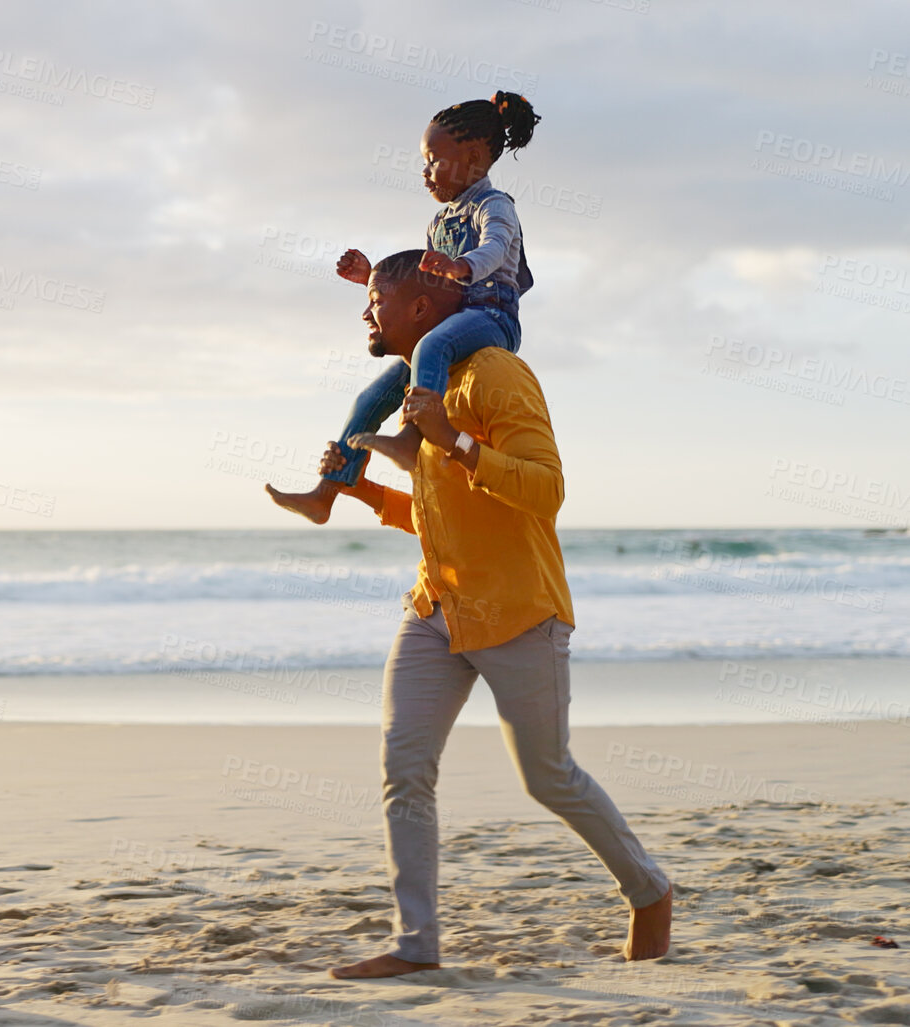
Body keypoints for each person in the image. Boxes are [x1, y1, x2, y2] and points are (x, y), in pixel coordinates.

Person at [316, 252, 672, 979]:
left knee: (546, 776)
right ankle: (415, 943)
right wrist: (365, 496)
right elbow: (439, 515)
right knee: (403, 768)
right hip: (434, 610)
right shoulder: (430, 385)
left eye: (377, 299)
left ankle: (649, 890)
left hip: (516, 612)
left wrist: (455, 441)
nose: (365, 314)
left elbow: (545, 492)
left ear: (421, 309)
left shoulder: (498, 377)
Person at [269, 92, 539, 524]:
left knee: (430, 347)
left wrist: (460, 266)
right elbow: (423, 287)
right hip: (449, 325)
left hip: (493, 318)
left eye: (433, 160)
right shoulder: (438, 223)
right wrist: (372, 276)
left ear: (472, 157)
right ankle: (327, 492)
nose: (425, 172)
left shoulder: (495, 207)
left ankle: (411, 438)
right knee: (372, 396)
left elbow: (495, 248)